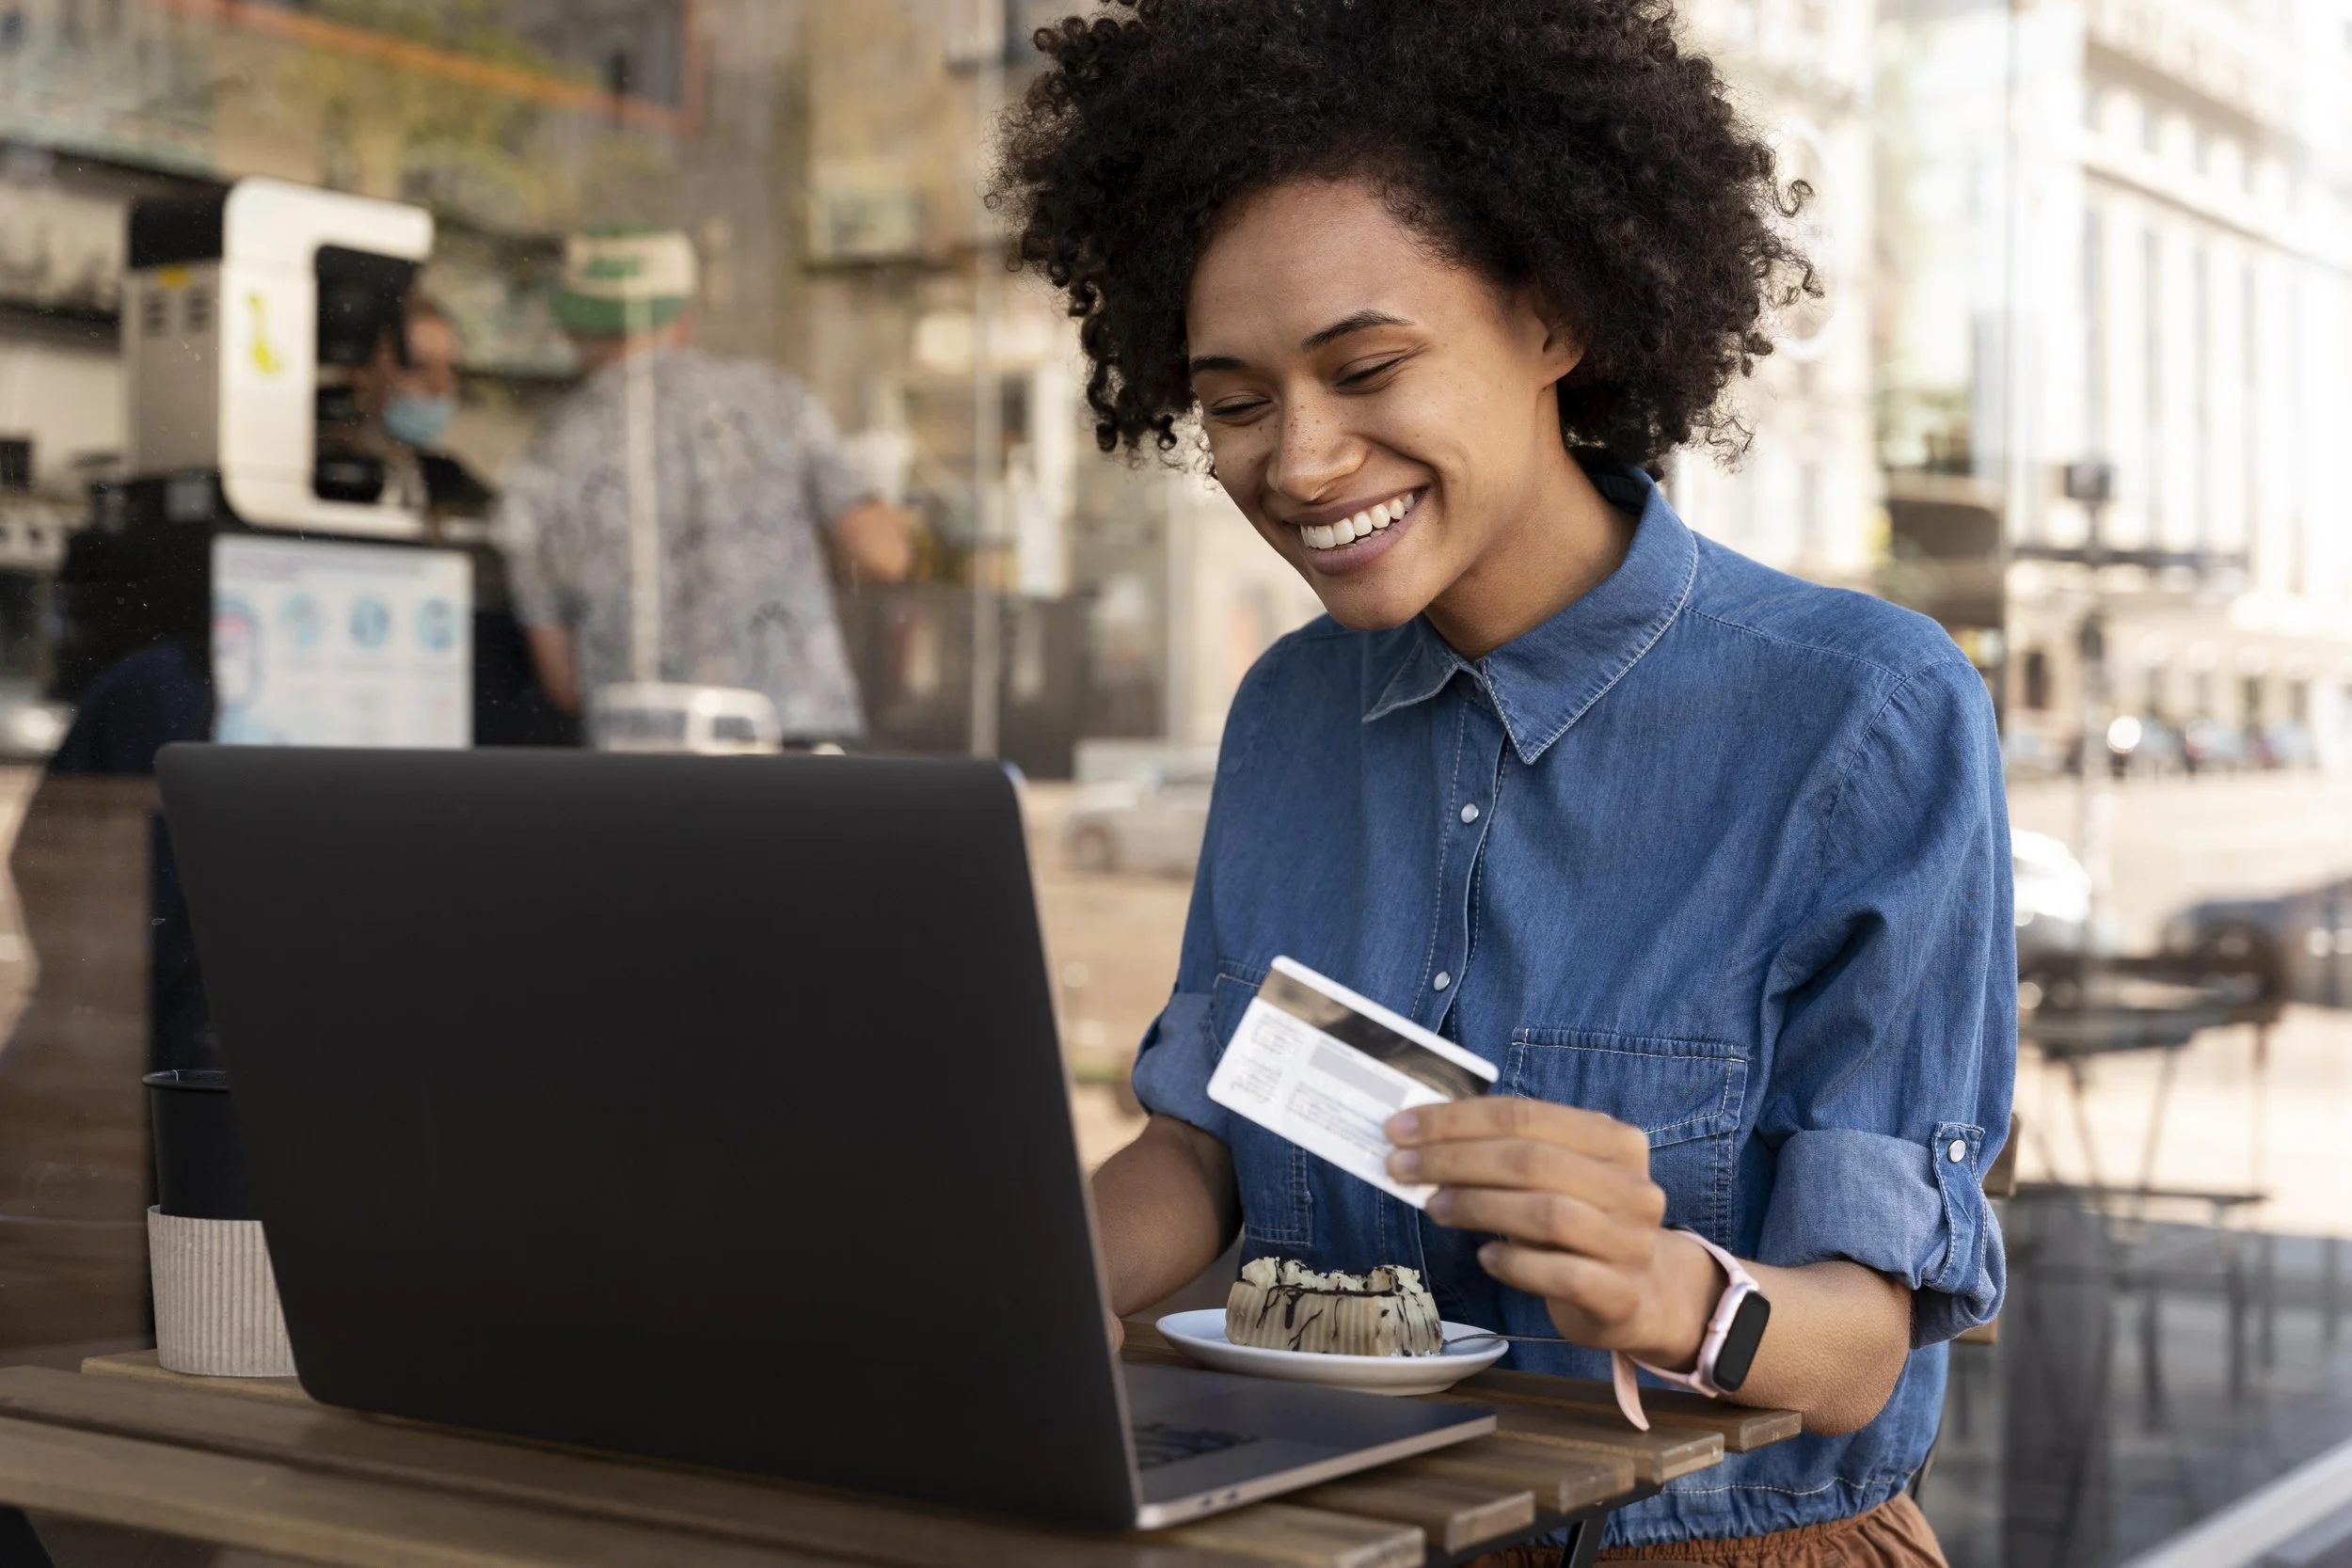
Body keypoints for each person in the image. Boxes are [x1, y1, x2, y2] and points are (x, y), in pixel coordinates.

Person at [993, 3, 2014, 1563]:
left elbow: (1860, 1346)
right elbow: (1200, 1153)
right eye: (1238, 401)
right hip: (1333, 1522)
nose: (1302, 461)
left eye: (1367, 367)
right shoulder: (1288, 712)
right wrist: (966, 1292)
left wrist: (1666, 1286)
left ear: (1553, 317)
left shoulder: (1860, 713)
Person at [492, 226, 914, 743]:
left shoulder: (542, 457)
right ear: (683, 317)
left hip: (633, 750)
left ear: (575, 329)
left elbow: (562, 681)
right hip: (784, 733)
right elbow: (883, 553)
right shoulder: (775, 400)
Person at [346, 294, 576, 748]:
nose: (439, 387)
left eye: (449, 369)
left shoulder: (454, 484)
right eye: (418, 366)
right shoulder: (312, 479)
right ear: (359, 372)